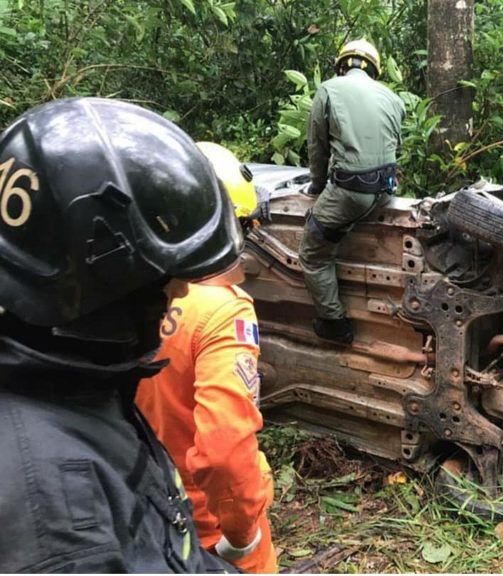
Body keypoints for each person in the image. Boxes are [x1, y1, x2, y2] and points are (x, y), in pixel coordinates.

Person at [0, 97, 243, 572]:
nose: (179, 289)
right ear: (101, 289)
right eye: (165, 278)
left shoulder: (72, 382)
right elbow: (225, 446)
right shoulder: (56, 517)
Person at [136, 142, 277, 573]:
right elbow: (223, 450)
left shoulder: (126, 296)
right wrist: (240, 535)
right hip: (206, 521)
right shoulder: (222, 309)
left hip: (140, 509)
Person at [299, 38, 405, 344]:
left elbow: (317, 148)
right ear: (374, 69)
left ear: (342, 65)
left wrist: (318, 187)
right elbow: (395, 147)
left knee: (314, 253)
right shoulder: (392, 97)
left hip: (350, 192)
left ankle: (335, 325)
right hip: (385, 190)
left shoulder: (329, 90)